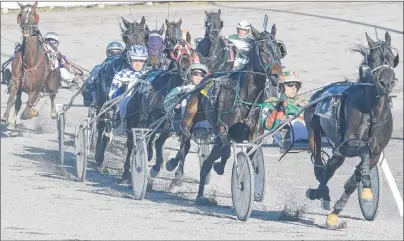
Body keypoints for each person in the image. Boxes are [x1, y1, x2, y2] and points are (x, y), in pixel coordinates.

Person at [261, 70, 309, 144]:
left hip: (309, 139)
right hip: (283, 142)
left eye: (297, 85)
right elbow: (267, 126)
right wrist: (277, 110)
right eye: (290, 84)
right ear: (281, 87)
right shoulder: (271, 103)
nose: (294, 88)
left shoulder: (305, 102)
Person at [108, 45, 149, 130]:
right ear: (130, 60)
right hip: (125, 104)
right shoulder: (121, 75)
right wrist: (122, 89)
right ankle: (122, 125)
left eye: (141, 61)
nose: (138, 63)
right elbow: (112, 95)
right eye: (135, 60)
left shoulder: (149, 74)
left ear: (145, 61)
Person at [83, 41, 125, 106]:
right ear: (108, 53)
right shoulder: (100, 66)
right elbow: (89, 82)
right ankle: (94, 100)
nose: (115, 54)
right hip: (104, 94)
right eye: (112, 52)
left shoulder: (124, 66)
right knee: (91, 79)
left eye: (118, 52)